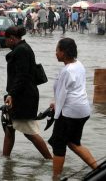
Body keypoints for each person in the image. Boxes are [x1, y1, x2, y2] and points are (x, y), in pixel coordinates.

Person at [48, 38, 98, 179]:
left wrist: (56, 115)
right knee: (73, 142)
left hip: (70, 112)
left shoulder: (66, 71)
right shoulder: (79, 64)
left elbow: (62, 94)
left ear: (64, 53)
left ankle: (55, 178)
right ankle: (98, 169)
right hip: (82, 110)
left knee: (58, 145)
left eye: (57, 50)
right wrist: (56, 103)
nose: (55, 53)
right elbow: (71, 90)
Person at [3, 26, 52, 159]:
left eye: (6, 39)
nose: (5, 42)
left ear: (12, 39)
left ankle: (50, 160)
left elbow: (22, 76)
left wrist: (11, 94)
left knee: (29, 132)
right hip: (19, 94)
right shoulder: (22, 48)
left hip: (23, 97)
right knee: (9, 128)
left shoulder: (21, 51)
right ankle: (5, 161)